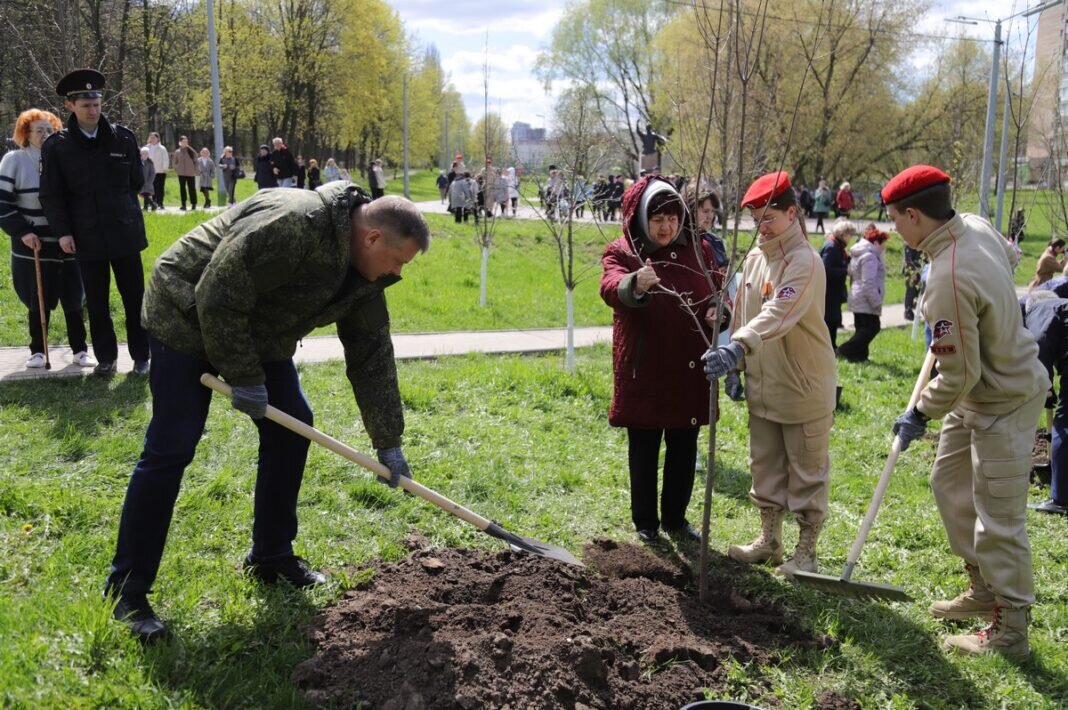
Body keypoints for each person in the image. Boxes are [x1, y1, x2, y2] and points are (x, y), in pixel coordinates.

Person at [103, 184, 431, 642]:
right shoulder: (295, 224)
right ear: (373, 238)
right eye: (398, 261)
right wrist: (244, 375)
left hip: (255, 329)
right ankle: (127, 590)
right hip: (185, 311)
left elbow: (371, 353)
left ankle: (271, 557)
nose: (397, 273)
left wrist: (388, 442)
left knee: (292, 429)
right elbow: (217, 292)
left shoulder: (364, 276)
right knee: (172, 446)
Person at [885, 165, 1048, 657]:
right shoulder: (974, 223)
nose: (894, 229)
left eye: (895, 219)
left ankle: (1011, 629)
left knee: (998, 515)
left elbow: (958, 376)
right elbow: (1009, 257)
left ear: (915, 216)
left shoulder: (948, 277)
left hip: (1005, 397)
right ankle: (982, 587)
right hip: (977, 393)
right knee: (948, 482)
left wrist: (920, 412)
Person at [702, 171, 836, 579]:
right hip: (764, 384)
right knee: (765, 466)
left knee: (806, 472)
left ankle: (806, 552)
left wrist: (738, 346)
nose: (761, 229)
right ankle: (769, 541)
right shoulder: (757, 258)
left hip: (801, 386)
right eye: (755, 220)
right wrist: (738, 367)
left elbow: (778, 313)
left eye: (769, 219)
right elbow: (744, 311)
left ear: (793, 213)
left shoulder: (804, 262)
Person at [600, 176, 728, 543]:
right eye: (657, 219)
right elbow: (610, 286)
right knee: (644, 447)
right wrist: (634, 284)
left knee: (684, 446)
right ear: (641, 218)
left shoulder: (698, 250)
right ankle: (646, 523)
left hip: (688, 368)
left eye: (672, 218)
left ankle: (675, 517)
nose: (666, 226)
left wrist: (718, 312)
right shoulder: (624, 252)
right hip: (646, 371)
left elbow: (717, 290)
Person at [39, 68, 150, 376]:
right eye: (85, 104)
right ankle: (106, 359)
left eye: (97, 103)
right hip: (86, 236)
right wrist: (63, 233)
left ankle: (142, 356)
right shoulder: (57, 146)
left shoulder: (122, 138)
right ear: (70, 106)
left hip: (124, 233)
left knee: (135, 299)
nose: (92, 110)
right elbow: (51, 195)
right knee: (98, 304)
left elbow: (135, 182)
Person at [1, 108, 94, 369]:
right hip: (32, 243)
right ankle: (38, 351)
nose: (45, 135)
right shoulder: (14, 160)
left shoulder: (64, 157)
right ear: (25, 134)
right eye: (39, 130)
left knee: (74, 296)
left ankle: (80, 349)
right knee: (37, 297)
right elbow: (2, 203)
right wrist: (23, 231)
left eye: (49, 130)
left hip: (66, 240)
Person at [1021, 291, 1068, 518]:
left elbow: (1038, 350)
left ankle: (1061, 498)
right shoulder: (1060, 307)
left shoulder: (1038, 311)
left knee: (1065, 421)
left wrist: (1045, 387)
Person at [837, 224, 888, 363]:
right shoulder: (870, 257)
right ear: (876, 242)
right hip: (865, 298)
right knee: (872, 327)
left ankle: (860, 356)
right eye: (883, 243)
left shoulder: (861, 253)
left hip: (858, 295)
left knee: (861, 327)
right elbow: (868, 282)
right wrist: (876, 302)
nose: (884, 247)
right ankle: (842, 351)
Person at [819, 218, 855, 349]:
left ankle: (831, 346)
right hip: (829, 291)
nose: (850, 237)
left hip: (834, 290)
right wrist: (846, 271)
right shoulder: (832, 247)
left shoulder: (837, 246)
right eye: (850, 234)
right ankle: (828, 347)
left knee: (834, 319)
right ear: (843, 234)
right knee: (830, 319)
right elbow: (825, 269)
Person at [172, 136, 198, 210]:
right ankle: (183, 204)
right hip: (181, 174)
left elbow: (196, 160)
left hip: (190, 173)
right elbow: (174, 162)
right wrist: (176, 168)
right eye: (183, 142)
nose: (185, 143)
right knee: (182, 189)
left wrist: (195, 170)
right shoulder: (177, 152)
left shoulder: (191, 151)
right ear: (180, 143)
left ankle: (194, 203)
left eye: (186, 142)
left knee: (192, 189)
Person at [144, 132, 169, 208]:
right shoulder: (147, 147)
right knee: (151, 188)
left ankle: (160, 203)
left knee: (160, 188)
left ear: (158, 138)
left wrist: (165, 168)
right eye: (151, 137)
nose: (152, 139)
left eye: (154, 137)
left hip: (160, 171)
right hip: (149, 172)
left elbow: (166, 159)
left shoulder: (162, 148)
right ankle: (153, 203)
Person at [902, 244, 924, 321]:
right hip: (911, 271)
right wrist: (913, 272)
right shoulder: (909, 243)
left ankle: (912, 309)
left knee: (917, 291)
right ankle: (908, 312)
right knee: (911, 291)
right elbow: (908, 259)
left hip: (918, 269)